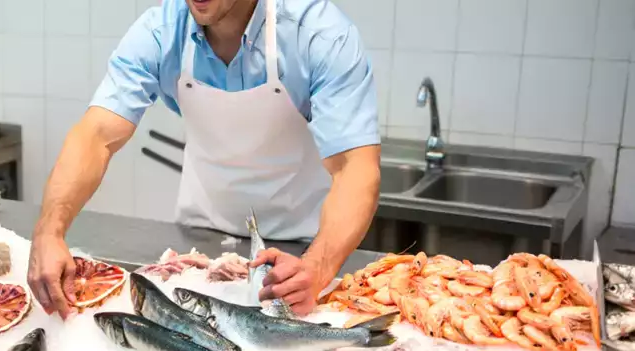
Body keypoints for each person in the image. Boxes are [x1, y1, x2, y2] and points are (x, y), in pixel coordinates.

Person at [28, 0, 381, 318]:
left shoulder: (318, 34)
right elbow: (96, 136)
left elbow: (355, 169)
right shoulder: (162, 32)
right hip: (198, 247)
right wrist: (49, 232)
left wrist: (317, 267)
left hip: (304, 248)